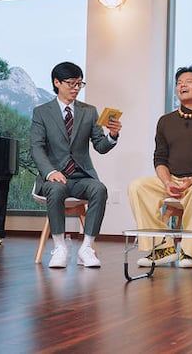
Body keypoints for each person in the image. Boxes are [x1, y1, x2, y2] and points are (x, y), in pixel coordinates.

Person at [127, 66, 192, 269]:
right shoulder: (165, 121)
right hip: (172, 179)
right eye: (179, 82)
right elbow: (160, 158)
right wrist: (167, 182)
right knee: (137, 187)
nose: (182, 85)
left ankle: (187, 252)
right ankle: (163, 247)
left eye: (188, 81)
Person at [31, 61, 122, 268]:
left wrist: (112, 135)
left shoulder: (89, 112)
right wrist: (50, 172)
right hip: (54, 177)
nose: (76, 88)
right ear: (57, 82)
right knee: (56, 189)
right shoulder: (41, 112)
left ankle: (86, 248)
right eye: (71, 83)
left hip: (81, 177)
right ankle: (60, 247)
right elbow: (36, 148)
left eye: (79, 84)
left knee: (99, 189)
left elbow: (100, 146)